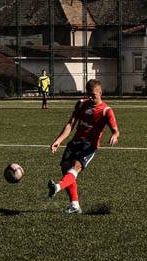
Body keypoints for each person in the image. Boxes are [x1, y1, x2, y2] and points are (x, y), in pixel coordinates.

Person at [47, 79, 119, 214]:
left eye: (94, 95)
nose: (91, 98)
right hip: (75, 142)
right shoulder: (81, 104)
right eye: (89, 95)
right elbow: (70, 124)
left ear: (100, 93)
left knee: (75, 169)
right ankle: (74, 205)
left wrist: (114, 135)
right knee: (65, 169)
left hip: (89, 146)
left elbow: (116, 130)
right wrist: (59, 140)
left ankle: (57, 187)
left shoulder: (106, 111)